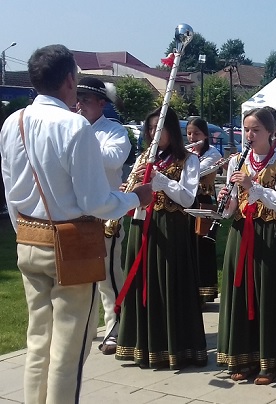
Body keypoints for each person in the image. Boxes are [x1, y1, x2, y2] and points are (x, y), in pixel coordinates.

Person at [0, 44, 152, 404]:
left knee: (39, 341)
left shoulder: (12, 122)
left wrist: (25, 228)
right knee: (69, 349)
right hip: (70, 245)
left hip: (28, 238)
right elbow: (95, 202)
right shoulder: (74, 126)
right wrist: (135, 198)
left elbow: (9, 190)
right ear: (69, 79)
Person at [115, 107, 207, 370]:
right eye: (151, 128)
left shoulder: (188, 159)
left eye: (160, 128)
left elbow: (187, 198)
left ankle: (174, 348)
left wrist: (161, 180)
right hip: (142, 223)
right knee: (141, 282)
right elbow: (136, 191)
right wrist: (129, 190)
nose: (154, 133)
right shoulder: (146, 156)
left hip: (170, 228)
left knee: (167, 284)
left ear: (172, 130)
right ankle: (141, 344)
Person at [216, 107, 276, 384]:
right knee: (239, 292)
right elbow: (230, 209)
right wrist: (226, 199)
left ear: (270, 131)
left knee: (266, 294)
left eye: (256, 130)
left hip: (267, 234)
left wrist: (254, 187)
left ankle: (269, 362)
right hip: (241, 232)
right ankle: (242, 356)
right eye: (247, 129)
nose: (249, 135)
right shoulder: (238, 161)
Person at [76, 77, 132, 356]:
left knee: (109, 276)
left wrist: (82, 142)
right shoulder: (73, 128)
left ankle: (116, 327)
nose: (80, 104)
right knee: (80, 279)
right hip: (78, 215)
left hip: (106, 214)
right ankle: (87, 329)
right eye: (78, 99)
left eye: (86, 100)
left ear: (101, 103)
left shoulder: (114, 130)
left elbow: (114, 158)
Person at [187, 118, 222, 303]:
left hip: (203, 202)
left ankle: (204, 291)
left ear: (205, 135)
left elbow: (194, 173)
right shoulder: (186, 153)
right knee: (188, 245)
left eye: (197, 134)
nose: (192, 137)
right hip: (185, 202)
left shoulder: (213, 154)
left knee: (202, 245)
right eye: (189, 134)